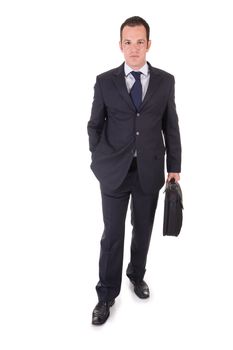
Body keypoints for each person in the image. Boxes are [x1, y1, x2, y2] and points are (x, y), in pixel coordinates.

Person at [87, 16, 182, 325]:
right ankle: (106, 295)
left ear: (148, 44)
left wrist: (174, 168)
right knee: (112, 235)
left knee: (142, 231)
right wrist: (100, 159)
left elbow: (171, 126)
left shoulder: (165, 81)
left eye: (140, 42)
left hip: (150, 171)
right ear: (120, 45)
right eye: (128, 42)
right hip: (113, 172)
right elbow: (94, 125)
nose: (134, 48)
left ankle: (136, 275)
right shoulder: (105, 81)